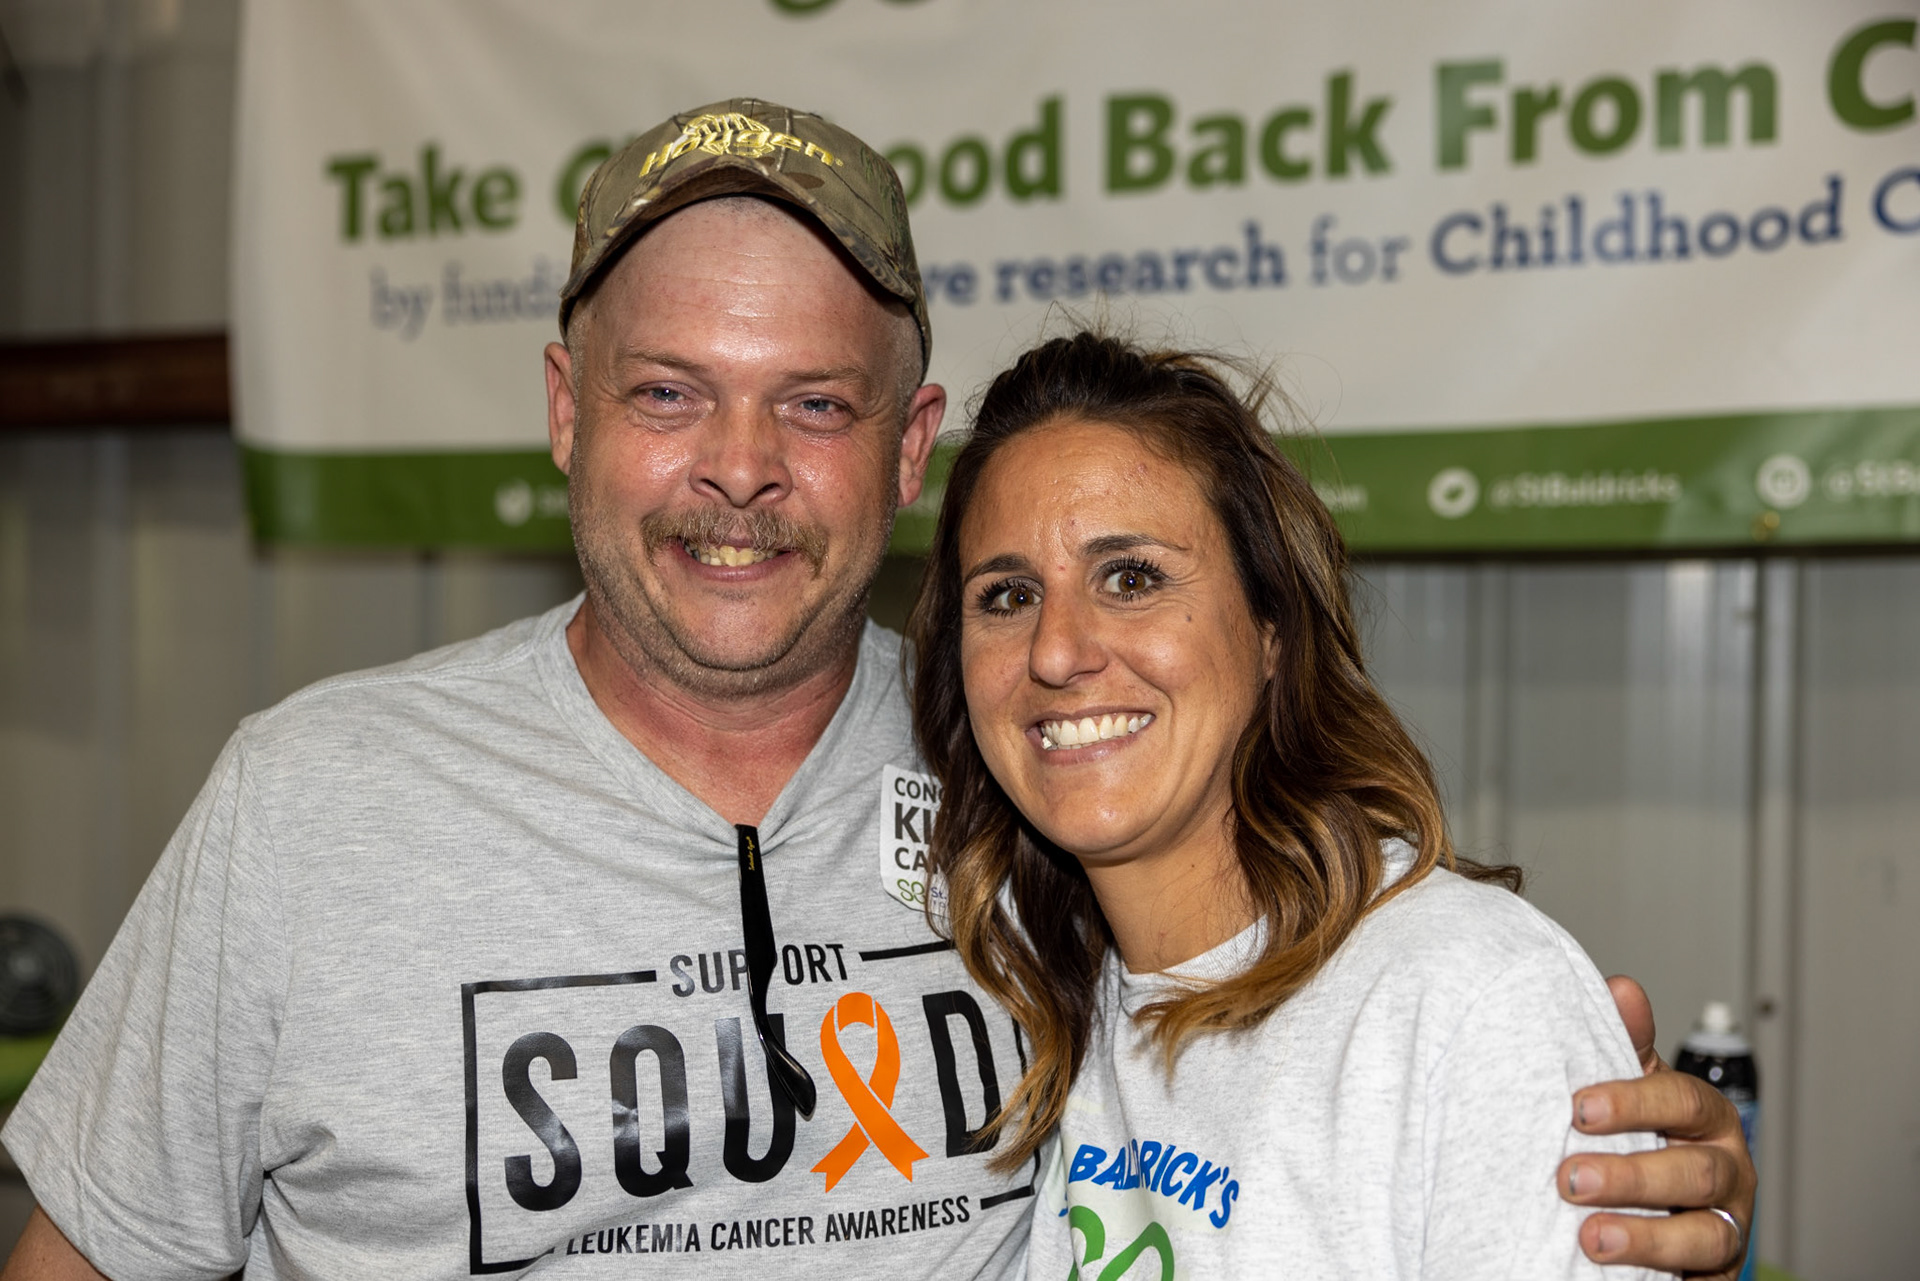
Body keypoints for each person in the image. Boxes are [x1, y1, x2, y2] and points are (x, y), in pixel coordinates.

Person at [0, 100, 1749, 1280]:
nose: (740, 466)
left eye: (816, 404)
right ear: (564, 413)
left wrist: (1558, 1137)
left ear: (909, 449)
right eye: (669, 392)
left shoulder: (1026, 796)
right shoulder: (309, 804)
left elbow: (1310, 1026)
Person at [905, 331, 1735, 1277]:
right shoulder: (1042, 994)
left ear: (1272, 629)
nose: (1057, 651)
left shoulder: (1468, 1000)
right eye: (1007, 595)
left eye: (1131, 578)